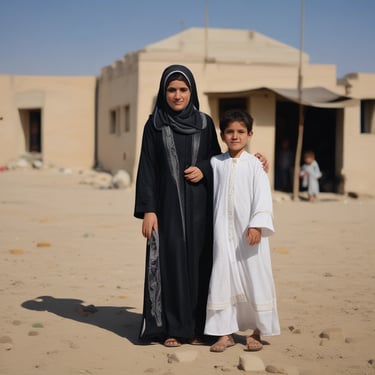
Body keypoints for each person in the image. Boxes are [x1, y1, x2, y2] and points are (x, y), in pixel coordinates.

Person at [134, 65, 269, 348]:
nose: (177, 95)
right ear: (163, 91)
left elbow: (220, 159)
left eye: (183, 89)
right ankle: (172, 328)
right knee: (170, 265)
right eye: (172, 90)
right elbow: (147, 167)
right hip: (167, 208)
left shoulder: (205, 123)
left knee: (201, 266)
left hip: (202, 209)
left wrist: (208, 169)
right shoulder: (155, 123)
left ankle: (200, 329)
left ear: (191, 91)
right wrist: (148, 209)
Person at [204, 109, 280, 352]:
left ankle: (257, 331)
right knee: (222, 277)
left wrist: (257, 224)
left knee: (255, 277)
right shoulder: (216, 163)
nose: (235, 136)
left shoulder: (255, 164)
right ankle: (224, 334)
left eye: (240, 131)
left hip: (249, 235)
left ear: (250, 134)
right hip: (222, 236)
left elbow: (262, 195)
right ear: (222, 135)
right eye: (230, 132)